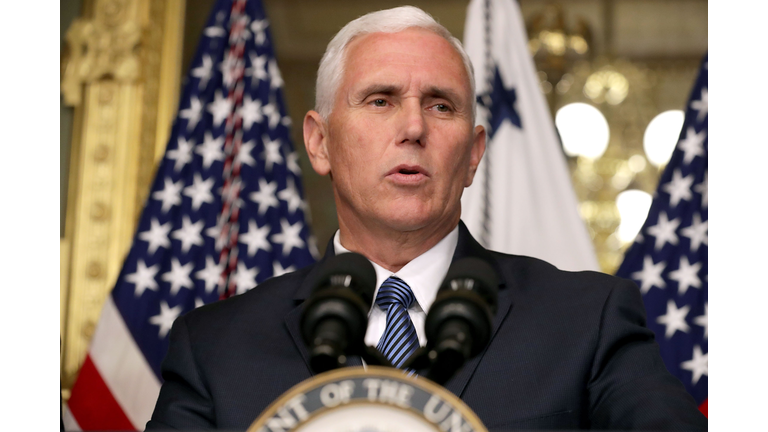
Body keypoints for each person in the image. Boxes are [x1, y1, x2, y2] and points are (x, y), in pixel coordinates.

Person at [147, 6, 707, 430]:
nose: (413, 127)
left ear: (472, 153)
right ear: (319, 143)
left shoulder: (589, 320)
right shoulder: (215, 347)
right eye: (380, 100)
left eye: (441, 105)